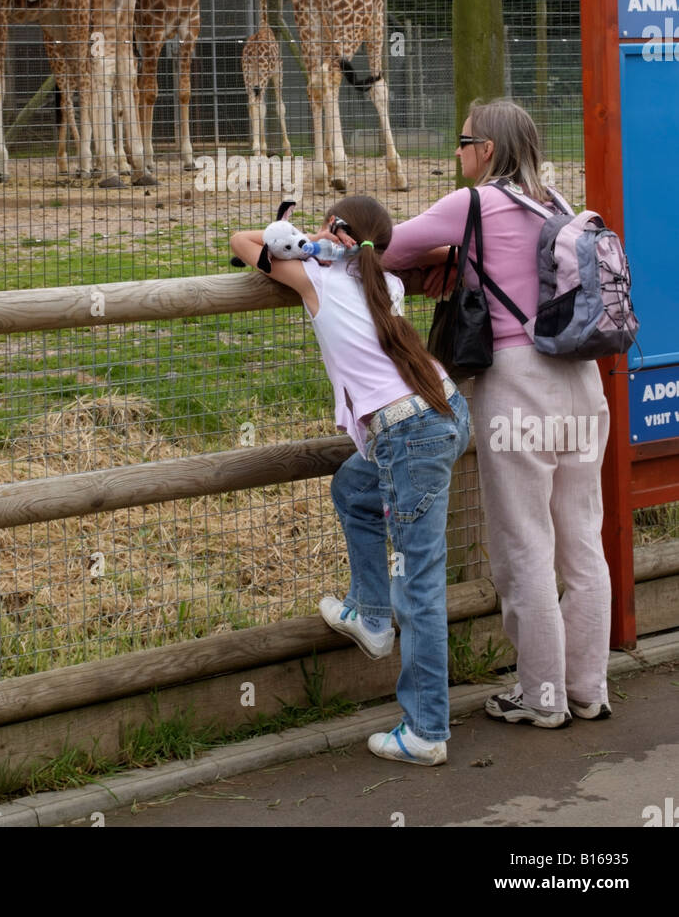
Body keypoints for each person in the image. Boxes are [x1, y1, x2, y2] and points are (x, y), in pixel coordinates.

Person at [381, 98, 612, 727]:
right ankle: (588, 688)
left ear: (486, 150)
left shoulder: (473, 205)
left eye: (462, 141)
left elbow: (384, 249)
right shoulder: (561, 205)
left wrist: (433, 259)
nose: (456, 153)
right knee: (583, 542)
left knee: (524, 546)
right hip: (584, 385)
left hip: (518, 384)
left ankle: (541, 697)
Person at [231, 195, 471, 767]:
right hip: (444, 412)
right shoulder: (385, 285)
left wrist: (306, 248)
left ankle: (427, 730)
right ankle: (369, 613)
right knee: (353, 489)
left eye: (322, 224)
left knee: (419, 581)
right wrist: (327, 248)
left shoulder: (315, 279)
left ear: (336, 232)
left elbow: (244, 243)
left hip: (409, 435)